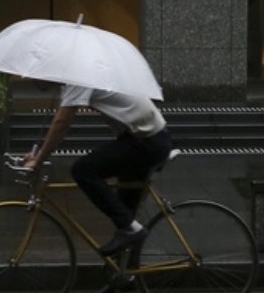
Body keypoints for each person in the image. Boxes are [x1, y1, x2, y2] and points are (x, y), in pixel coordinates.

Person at [22, 81, 174, 264]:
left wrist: (38, 161)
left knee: (83, 170)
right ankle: (123, 278)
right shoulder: (81, 75)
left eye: (34, 75)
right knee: (125, 215)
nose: (30, 79)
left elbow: (61, 123)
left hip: (146, 142)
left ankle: (130, 229)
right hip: (146, 138)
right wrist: (37, 155)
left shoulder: (78, 77)